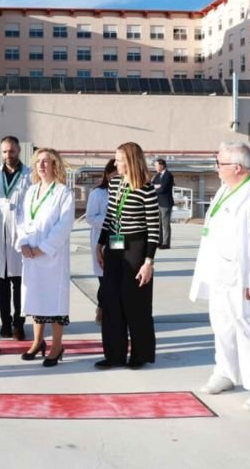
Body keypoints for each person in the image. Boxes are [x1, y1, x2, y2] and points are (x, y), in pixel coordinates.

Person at [190, 141, 250, 412]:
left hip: (243, 276)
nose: (216, 169)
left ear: (237, 167)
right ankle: (226, 372)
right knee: (222, 325)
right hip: (219, 271)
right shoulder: (226, 189)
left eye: (219, 164)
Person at [95, 142, 160, 370]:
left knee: (136, 304)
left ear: (131, 161)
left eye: (120, 159)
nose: (116, 163)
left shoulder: (146, 188)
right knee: (111, 300)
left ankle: (140, 354)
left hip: (136, 248)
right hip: (115, 245)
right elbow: (110, 216)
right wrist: (100, 244)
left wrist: (148, 262)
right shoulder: (114, 184)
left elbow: (154, 229)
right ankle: (114, 354)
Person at [16, 148, 75, 367]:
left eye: (46, 161)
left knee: (55, 302)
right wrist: (22, 243)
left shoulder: (63, 193)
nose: (41, 165)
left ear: (55, 165)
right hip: (30, 255)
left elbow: (64, 225)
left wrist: (43, 247)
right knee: (35, 297)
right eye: (38, 161)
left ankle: (57, 346)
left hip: (52, 257)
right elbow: (21, 219)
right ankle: (37, 342)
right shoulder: (31, 191)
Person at [0, 136, 32, 340]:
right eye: (4, 152)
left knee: (19, 282)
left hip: (19, 235)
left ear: (19, 150)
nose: (8, 155)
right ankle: (5, 322)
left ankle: (18, 323)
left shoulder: (29, 175)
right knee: (1, 283)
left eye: (11, 151)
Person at [85, 159, 117, 324]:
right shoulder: (98, 193)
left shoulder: (127, 191)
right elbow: (90, 218)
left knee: (114, 275)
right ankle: (102, 307)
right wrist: (111, 220)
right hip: (101, 239)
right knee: (104, 277)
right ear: (107, 174)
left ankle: (110, 308)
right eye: (114, 174)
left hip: (118, 239)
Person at [151, 158, 174, 249]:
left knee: (165, 224)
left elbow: (163, 188)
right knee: (159, 224)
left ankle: (166, 243)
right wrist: (157, 186)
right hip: (158, 203)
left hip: (165, 203)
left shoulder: (168, 175)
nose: (155, 167)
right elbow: (151, 185)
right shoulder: (157, 175)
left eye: (156, 165)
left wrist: (157, 187)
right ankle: (160, 241)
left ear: (162, 165)